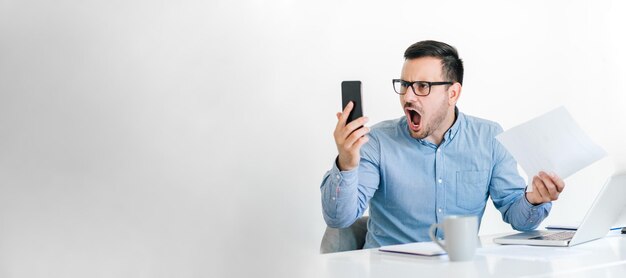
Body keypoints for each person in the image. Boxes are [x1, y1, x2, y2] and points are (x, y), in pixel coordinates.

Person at [320, 40, 566, 249]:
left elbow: (518, 218)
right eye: (404, 85)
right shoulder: (377, 142)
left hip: (459, 268)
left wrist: (534, 199)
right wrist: (346, 164)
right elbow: (339, 219)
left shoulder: (488, 139)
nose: (408, 96)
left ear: (453, 93)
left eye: (422, 86)